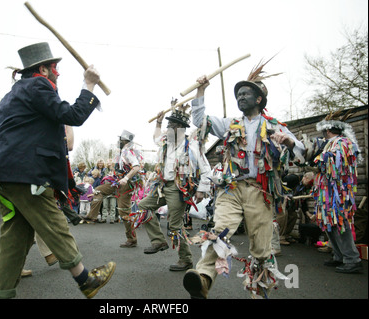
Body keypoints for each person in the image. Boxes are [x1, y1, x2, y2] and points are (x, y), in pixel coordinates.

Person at [0, 42, 115, 299]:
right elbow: (72, 115)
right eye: (55, 67)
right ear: (43, 69)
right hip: (27, 173)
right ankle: (85, 279)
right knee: (54, 222)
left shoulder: (13, 94)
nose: (58, 72)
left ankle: (0, 293)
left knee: (15, 238)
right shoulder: (38, 85)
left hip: (6, 175)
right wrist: (88, 84)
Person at [183, 60, 305, 299]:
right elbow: (200, 120)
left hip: (260, 192)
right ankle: (204, 279)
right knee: (219, 231)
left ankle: (259, 293)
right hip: (231, 189)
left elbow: (301, 152)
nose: (240, 97)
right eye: (238, 94)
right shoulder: (231, 125)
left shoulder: (274, 126)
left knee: (261, 249)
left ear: (259, 99)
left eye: (245, 93)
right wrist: (201, 90)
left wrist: (290, 142)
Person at [134, 107, 211, 271]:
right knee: (143, 207)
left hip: (178, 189)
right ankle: (158, 241)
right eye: (168, 125)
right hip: (161, 186)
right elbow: (155, 137)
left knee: (175, 226)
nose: (168, 129)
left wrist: (201, 189)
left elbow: (206, 169)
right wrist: (158, 121)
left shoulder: (193, 147)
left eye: (171, 125)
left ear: (180, 128)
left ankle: (186, 259)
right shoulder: (165, 142)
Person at [312, 110, 363, 274]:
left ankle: (352, 259)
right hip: (327, 192)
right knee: (330, 224)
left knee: (341, 224)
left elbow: (333, 164)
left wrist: (316, 160)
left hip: (338, 193)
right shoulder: (330, 144)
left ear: (327, 129)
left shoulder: (342, 143)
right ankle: (339, 255)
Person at [84, 130, 143, 248]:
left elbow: (136, 167)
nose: (118, 141)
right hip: (116, 182)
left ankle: (132, 239)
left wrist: (126, 178)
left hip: (126, 185)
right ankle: (92, 216)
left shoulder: (128, 152)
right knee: (98, 190)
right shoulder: (121, 153)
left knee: (123, 212)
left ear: (126, 141)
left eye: (121, 139)